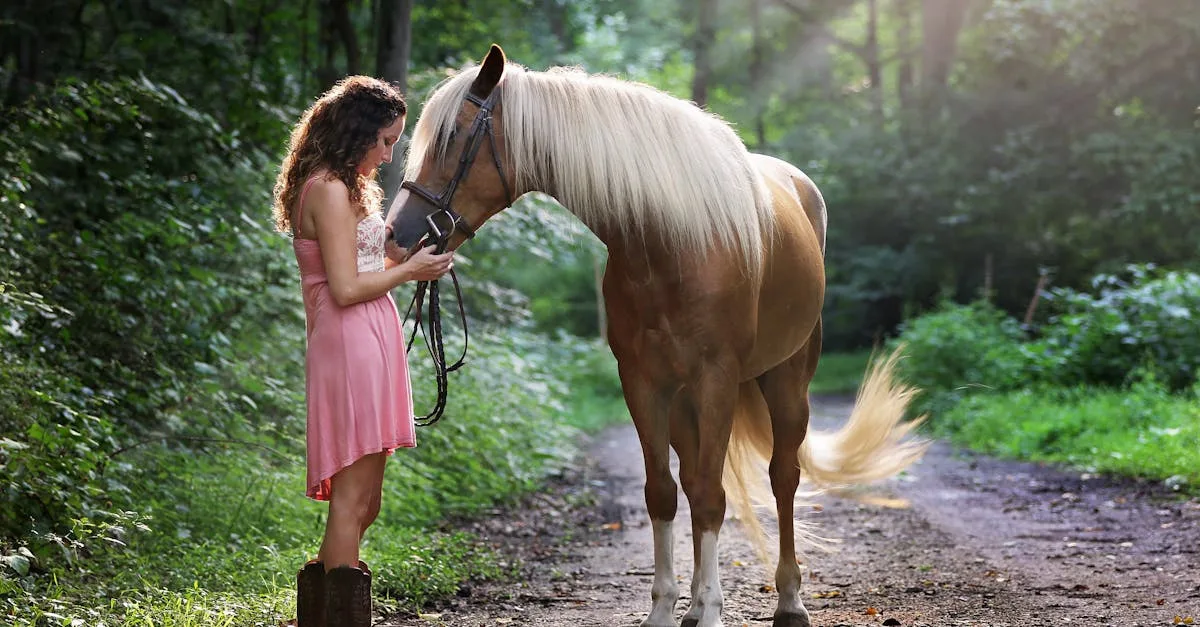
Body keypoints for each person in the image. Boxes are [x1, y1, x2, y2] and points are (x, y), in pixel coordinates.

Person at [271, 76, 453, 627]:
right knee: (351, 501)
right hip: (348, 340)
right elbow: (345, 288)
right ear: (356, 135)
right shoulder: (325, 188)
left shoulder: (348, 184)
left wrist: (405, 254)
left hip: (371, 337)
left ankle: (326, 609)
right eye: (385, 141)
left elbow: (365, 260)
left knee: (366, 502)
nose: (389, 152)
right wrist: (408, 272)